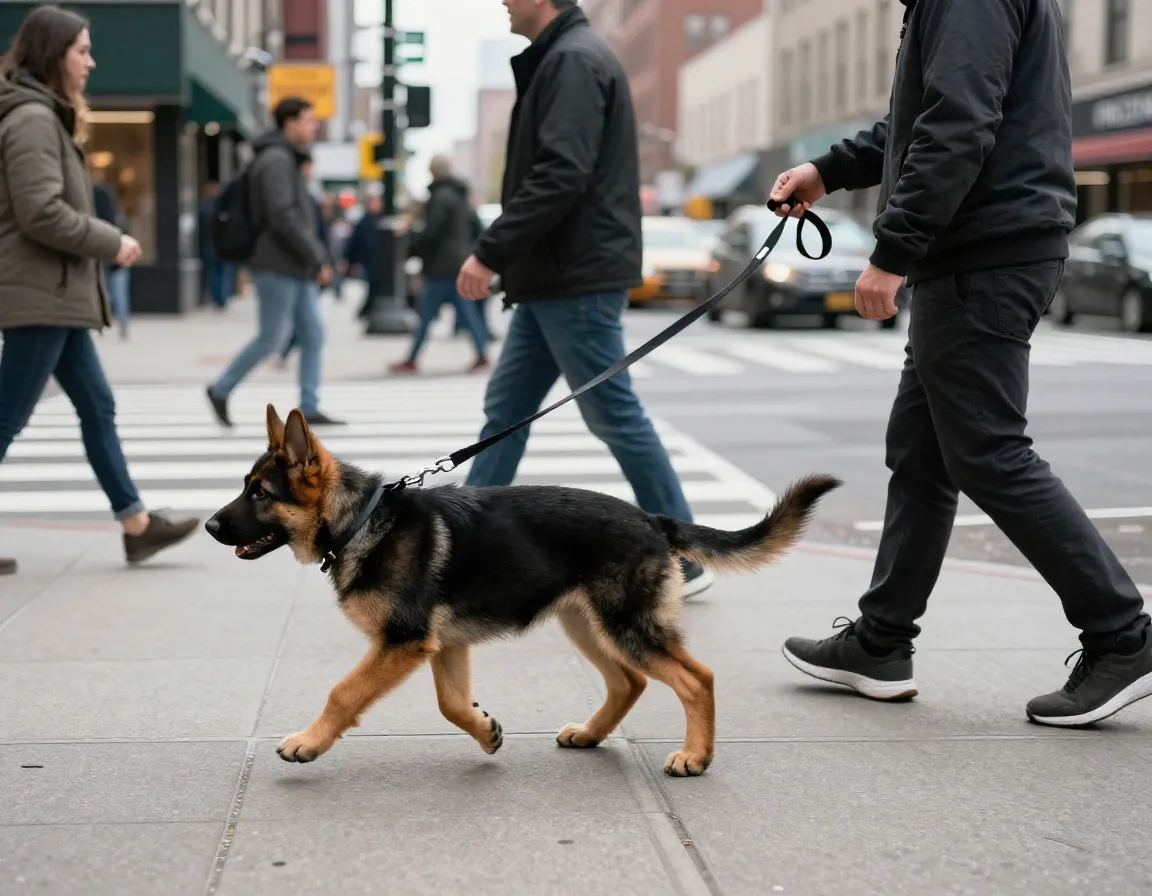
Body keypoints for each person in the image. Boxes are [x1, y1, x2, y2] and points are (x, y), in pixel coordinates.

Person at [773, 0, 1152, 726]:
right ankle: (880, 643)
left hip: (983, 253)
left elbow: (958, 126)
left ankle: (1123, 636)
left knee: (988, 453)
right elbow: (925, 123)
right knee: (921, 455)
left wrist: (893, 250)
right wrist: (827, 169)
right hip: (979, 248)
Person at [455, 0, 713, 598]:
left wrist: (491, 251)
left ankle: (687, 554)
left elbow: (560, 174)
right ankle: (463, 542)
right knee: (506, 415)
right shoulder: (561, 59)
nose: (500, 2)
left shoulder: (573, 61)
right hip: (553, 277)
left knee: (613, 415)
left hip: (574, 278)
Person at [0, 5, 199, 575]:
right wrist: (110, 241)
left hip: (56, 292)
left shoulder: (42, 115)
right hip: (41, 291)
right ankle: (136, 523)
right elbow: (39, 211)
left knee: (97, 406)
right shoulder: (33, 120)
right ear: (52, 54)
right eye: (82, 50)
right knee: (8, 415)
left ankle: (136, 525)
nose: (92, 62)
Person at [205, 97, 342, 428]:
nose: (314, 127)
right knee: (271, 338)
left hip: (294, 265)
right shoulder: (276, 160)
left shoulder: (285, 158)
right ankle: (221, 388)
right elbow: (283, 216)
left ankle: (309, 406)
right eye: (309, 120)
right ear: (289, 122)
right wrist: (316, 255)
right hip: (277, 264)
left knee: (312, 334)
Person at [390, 155, 490, 374]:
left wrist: (411, 249)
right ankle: (482, 353)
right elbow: (477, 228)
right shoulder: (460, 196)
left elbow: (432, 232)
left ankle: (413, 358)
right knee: (466, 311)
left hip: (442, 266)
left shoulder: (440, 197)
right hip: (458, 263)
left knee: (426, 314)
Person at [277, 154, 333, 367]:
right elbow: (309, 233)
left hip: (306, 264)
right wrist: (321, 262)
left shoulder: (307, 194)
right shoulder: (301, 196)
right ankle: (222, 387)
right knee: (271, 335)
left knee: (310, 330)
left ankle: (309, 400)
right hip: (301, 265)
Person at [91, 164, 130, 338]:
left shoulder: (97, 197)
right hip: (113, 250)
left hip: (105, 250)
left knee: (108, 290)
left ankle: (106, 323)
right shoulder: (107, 198)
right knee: (117, 291)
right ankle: (121, 324)